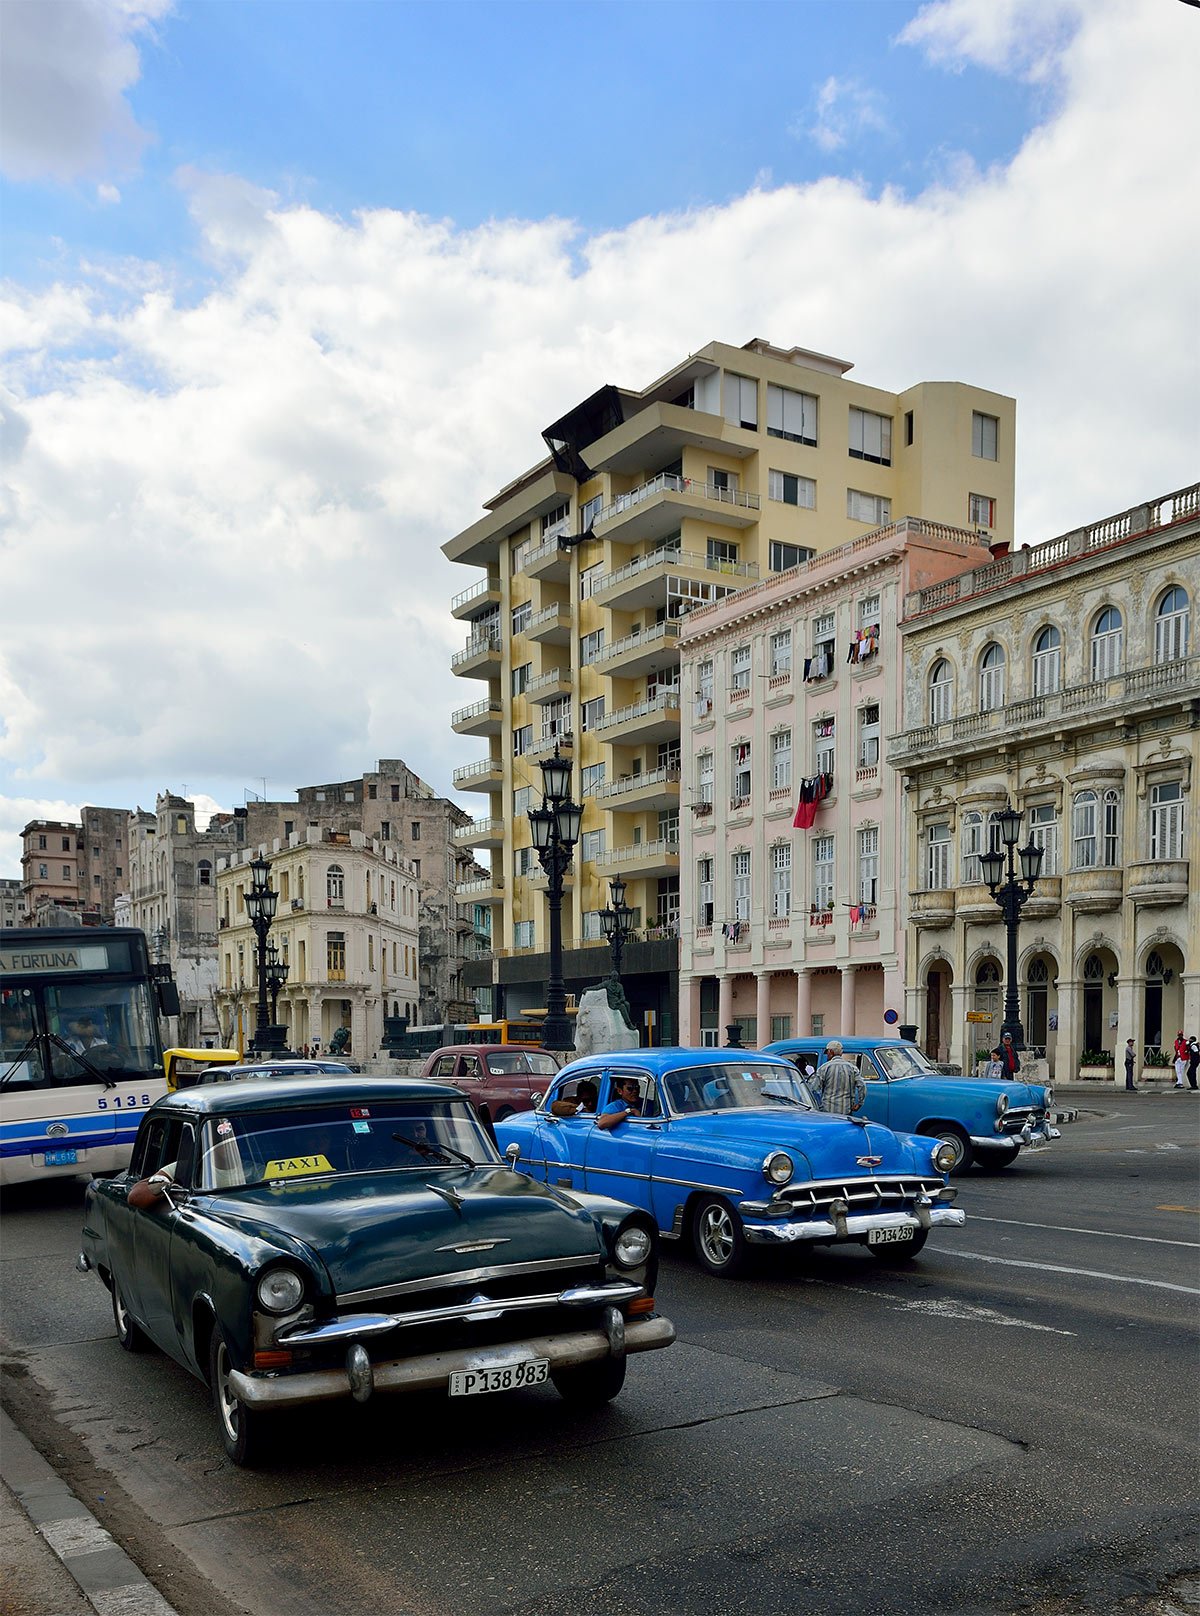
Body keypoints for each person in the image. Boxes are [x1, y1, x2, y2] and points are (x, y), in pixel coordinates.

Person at [809, 1041, 866, 1116]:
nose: (827, 1054)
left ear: (831, 1052)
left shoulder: (824, 1068)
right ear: (841, 1053)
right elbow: (862, 1085)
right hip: (846, 1110)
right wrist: (860, 1103)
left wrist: (819, 1105)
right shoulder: (852, 1068)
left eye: (827, 1052)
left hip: (827, 1110)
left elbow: (814, 1089)